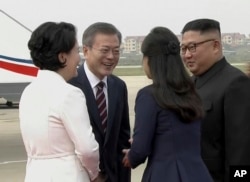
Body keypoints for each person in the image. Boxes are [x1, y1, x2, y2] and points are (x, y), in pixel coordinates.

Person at [122, 27, 213, 182]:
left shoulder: (149, 95)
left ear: (150, 60)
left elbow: (140, 150)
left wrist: (131, 156)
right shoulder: (191, 93)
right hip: (198, 173)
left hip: (165, 174)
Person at [19, 22, 100, 182]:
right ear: (63, 57)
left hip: (35, 174)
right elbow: (87, 150)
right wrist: (94, 173)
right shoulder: (70, 94)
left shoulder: (28, 92)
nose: (79, 58)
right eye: (76, 51)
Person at [181, 18, 250, 182]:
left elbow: (241, 153)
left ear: (215, 46)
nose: (187, 55)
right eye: (183, 48)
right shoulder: (189, 85)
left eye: (193, 47)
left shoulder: (235, 84)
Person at [68, 22, 131, 182]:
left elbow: (122, 139)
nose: (111, 56)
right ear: (86, 51)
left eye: (116, 51)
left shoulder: (119, 86)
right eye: (104, 50)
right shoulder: (70, 85)